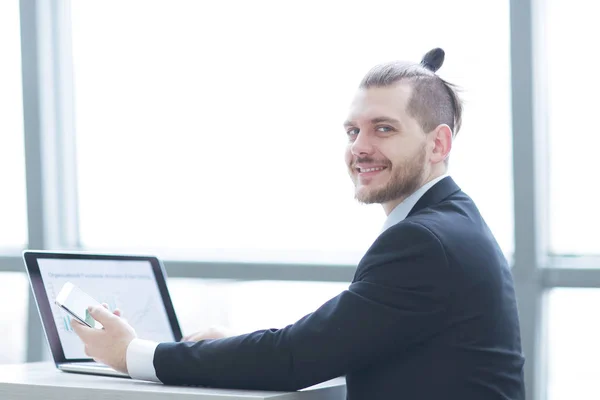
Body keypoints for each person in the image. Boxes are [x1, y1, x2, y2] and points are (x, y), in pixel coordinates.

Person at [72, 48, 525, 399]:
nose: (359, 148)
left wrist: (132, 354)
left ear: (438, 144)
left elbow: (295, 357)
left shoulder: (424, 241)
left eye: (383, 129)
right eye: (353, 131)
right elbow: (331, 340)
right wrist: (231, 347)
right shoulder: (451, 223)